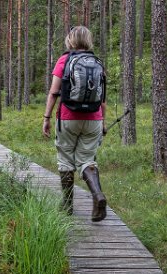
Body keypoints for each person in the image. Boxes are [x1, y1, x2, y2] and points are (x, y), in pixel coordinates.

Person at [42, 26, 107, 222]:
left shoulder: (65, 60)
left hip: (68, 118)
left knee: (65, 160)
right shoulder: (97, 63)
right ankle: (97, 195)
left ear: (70, 40)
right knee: (87, 160)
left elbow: (54, 93)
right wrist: (103, 123)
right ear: (88, 40)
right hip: (93, 119)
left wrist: (46, 118)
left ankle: (68, 204)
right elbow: (102, 99)